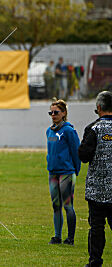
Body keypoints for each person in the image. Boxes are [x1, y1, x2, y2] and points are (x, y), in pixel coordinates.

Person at [78, 91, 112, 267]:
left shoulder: (93, 129)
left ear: (98, 107)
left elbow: (83, 155)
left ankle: (95, 261)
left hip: (97, 191)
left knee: (97, 228)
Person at [46, 98, 81, 245]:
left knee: (67, 205)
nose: (53, 115)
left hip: (66, 172)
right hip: (53, 173)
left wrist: (75, 170)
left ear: (64, 113)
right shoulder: (49, 131)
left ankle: (70, 238)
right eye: (51, 112)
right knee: (56, 205)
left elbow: (76, 152)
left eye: (56, 112)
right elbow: (50, 151)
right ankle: (57, 236)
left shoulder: (68, 130)